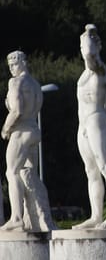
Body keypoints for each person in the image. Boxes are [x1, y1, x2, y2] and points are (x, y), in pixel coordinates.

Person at [73, 24, 106, 229]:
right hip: (83, 125)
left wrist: (89, 35)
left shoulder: (100, 70)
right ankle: (96, 216)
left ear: (97, 46)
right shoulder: (84, 75)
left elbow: (91, 59)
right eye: (83, 44)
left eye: (89, 44)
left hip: (96, 119)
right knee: (91, 171)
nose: (85, 49)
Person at [1, 51, 54, 231]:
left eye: (13, 64)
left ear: (23, 62)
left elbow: (17, 110)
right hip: (34, 130)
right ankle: (35, 219)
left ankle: (16, 217)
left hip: (21, 131)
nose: (11, 69)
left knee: (12, 172)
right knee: (31, 176)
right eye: (9, 65)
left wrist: (6, 128)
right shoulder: (36, 84)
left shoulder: (16, 82)